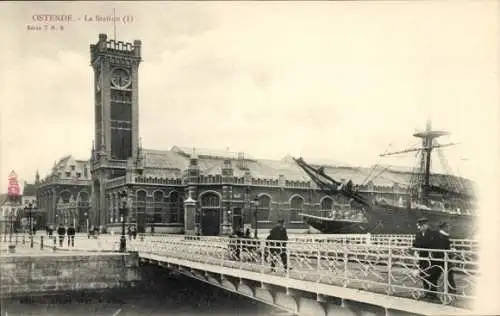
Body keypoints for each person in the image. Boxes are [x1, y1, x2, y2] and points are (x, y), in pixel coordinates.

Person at [412, 217, 439, 299]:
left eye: (420, 226)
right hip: (422, 258)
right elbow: (415, 244)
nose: (419, 228)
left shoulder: (433, 233)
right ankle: (426, 292)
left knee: (432, 276)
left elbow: (433, 245)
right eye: (418, 226)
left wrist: (421, 245)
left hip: (431, 258)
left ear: (425, 225)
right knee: (423, 275)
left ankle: (433, 294)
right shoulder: (418, 234)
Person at [435, 221, 456, 294]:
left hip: (443, 257)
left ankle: (451, 289)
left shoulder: (443, 235)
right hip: (442, 258)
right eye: (448, 227)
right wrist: (450, 250)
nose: (449, 228)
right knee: (447, 273)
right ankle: (451, 289)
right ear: (444, 227)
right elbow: (442, 247)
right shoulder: (442, 236)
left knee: (446, 273)